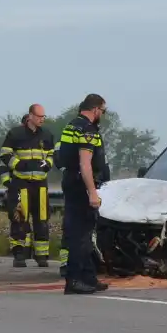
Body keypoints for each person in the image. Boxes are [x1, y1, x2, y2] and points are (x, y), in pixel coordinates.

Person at [54, 94, 111, 294]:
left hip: (70, 181)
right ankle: (75, 280)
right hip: (81, 184)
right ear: (95, 109)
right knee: (82, 235)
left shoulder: (71, 125)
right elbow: (85, 164)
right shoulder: (88, 130)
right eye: (102, 111)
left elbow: (61, 156)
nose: (102, 115)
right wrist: (92, 192)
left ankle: (88, 276)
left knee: (83, 233)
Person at [0, 104, 55, 268]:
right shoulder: (15, 134)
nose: (42, 119)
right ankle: (19, 254)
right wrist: (18, 165)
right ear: (30, 116)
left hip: (40, 184)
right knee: (19, 219)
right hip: (21, 183)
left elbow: (53, 154)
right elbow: (4, 154)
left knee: (42, 219)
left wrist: (48, 165)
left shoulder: (47, 135)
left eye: (43, 117)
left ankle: (42, 255)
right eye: (39, 117)